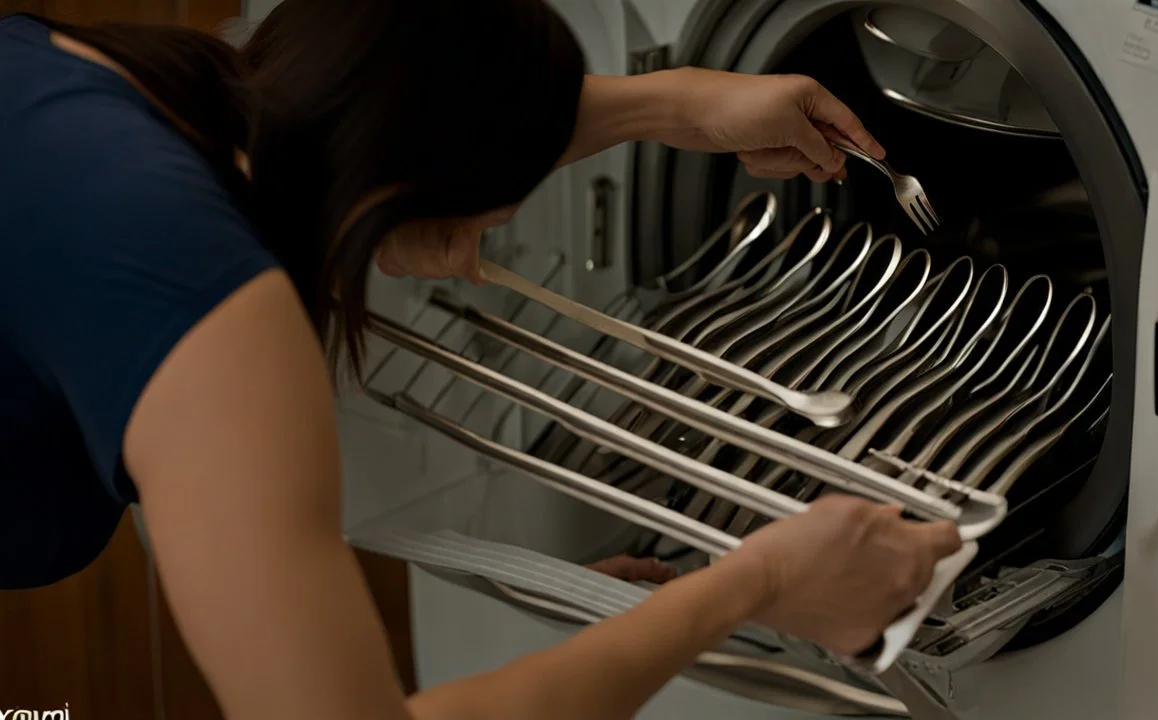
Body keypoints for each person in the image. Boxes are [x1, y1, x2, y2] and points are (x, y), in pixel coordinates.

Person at [0, 2, 961, 718]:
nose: (480, 249)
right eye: (496, 215)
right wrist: (760, 583)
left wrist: (680, 102)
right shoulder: (209, 315)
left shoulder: (135, 86)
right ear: (419, 191)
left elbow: (415, 95)